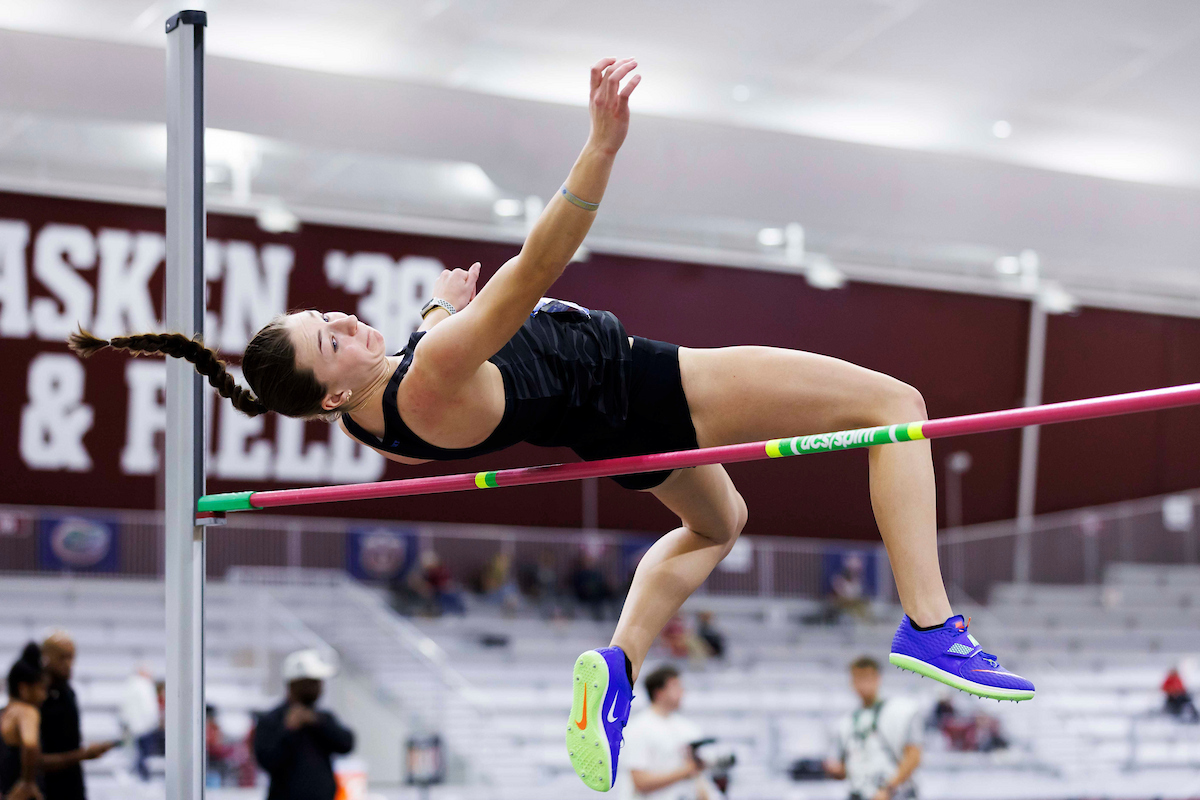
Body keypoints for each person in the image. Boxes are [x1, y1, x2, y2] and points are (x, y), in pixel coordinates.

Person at [68, 57, 1032, 792]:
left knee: (718, 524)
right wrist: (602, 146)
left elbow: (420, 348)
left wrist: (434, 310)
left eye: (329, 316)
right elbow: (536, 267)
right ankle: (930, 622)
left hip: (605, 431)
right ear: (329, 395)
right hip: (647, 385)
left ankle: (617, 667)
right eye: (332, 339)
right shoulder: (433, 367)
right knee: (894, 406)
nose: (346, 321)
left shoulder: (379, 415)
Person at [254, 649, 354, 800]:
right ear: (295, 684)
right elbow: (267, 760)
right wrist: (289, 730)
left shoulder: (322, 718)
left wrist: (317, 722)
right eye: (313, 682)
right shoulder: (272, 719)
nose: (320, 687)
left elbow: (346, 744)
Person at [824, 657, 922, 800]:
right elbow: (848, 767)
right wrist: (836, 770)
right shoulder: (845, 723)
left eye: (867, 677)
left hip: (895, 794)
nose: (863, 684)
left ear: (878, 678)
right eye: (858, 678)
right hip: (859, 793)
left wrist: (889, 788)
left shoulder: (901, 712)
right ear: (851, 682)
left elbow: (913, 756)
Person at [39, 632, 117, 800]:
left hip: (72, 786)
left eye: (71, 658)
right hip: (47, 789)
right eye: (62, 658)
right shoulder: (37, 698)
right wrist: (84, 754)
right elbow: (35, 760)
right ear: (46, 657)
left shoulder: (68, 693)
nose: (69, 664)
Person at [619, 666, 713, 800]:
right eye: (675, 686)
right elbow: (640, 781)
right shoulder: (638, 728)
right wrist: (686, 770)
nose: (682, 691)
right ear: (659, 692)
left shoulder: (689, 728)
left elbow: (699, 781)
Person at [1, 644, 48, 800]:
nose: (44, 696)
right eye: (41, 688)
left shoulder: (4, 714)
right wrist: (27, 782)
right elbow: (30, 744)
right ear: (23, 688)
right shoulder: (27, 712)